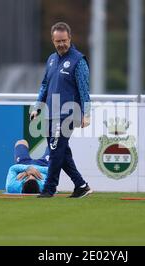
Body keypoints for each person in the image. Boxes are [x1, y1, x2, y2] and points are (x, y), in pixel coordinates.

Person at [30, 22, 92, 198]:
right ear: (53, 40)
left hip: (68, 114)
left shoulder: (78, 61)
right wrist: (37, 107)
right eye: (58, 41)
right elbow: (44, 85)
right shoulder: (51, 59)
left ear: (70, 39)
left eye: (64, 40)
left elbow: (84, 89)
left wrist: (86, 114)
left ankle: (49, 189)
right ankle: (81, 185)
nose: (61, 44)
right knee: (62, 152)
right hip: (50, 113)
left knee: (56, 150)